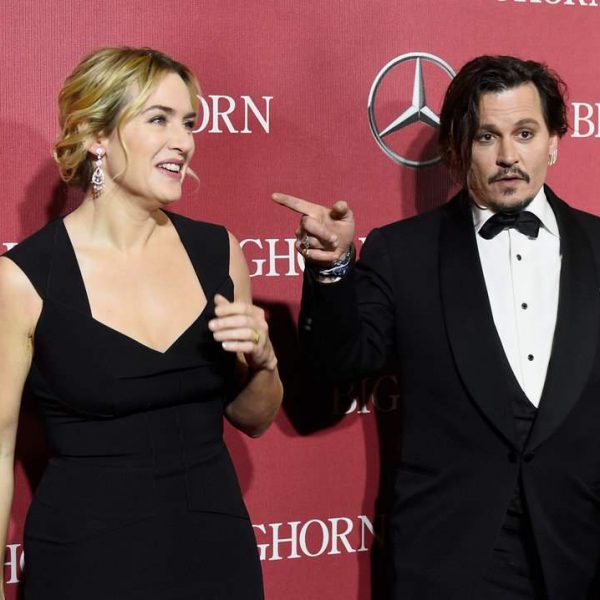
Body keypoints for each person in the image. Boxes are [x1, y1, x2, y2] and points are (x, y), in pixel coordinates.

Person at [274, 55, 600, 599]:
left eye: (525, 133)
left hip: (581, 553)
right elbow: (339, 363)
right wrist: (332, 269)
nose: (508, 156)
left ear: (554, 142)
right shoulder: (403, 252)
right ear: (456, 149)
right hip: (453, 558)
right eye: (486, 137)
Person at [0, 47, 282, 600]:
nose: (184, 141)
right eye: (159, 119)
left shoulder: (218, 252)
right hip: (86, 563)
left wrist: (264, 362)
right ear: (96, 136)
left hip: (215, 554)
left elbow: (255, 418)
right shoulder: (24, 280)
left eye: (189, 123)